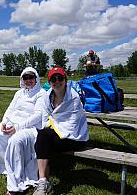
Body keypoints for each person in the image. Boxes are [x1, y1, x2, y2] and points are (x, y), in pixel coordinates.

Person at [0, 67, 46, 191]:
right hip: (13, 124)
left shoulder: (41, 93)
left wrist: (18, 127)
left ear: (36, 78)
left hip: (30, 127)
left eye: (31, 77)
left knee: (15, 140)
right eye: (25, 77)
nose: (28, 80)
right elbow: (10, 109)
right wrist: (4, 122)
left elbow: (37, 116)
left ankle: (16, 179)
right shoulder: (19, 93)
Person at [33, 67, 89, 195]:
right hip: (58, 134)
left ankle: (43, 183)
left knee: (42, 141)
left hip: (76, 138)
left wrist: (51, 128)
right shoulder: (47, 97)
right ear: (49, 81)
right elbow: (45, 119)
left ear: (66, 80)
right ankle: (43, 181)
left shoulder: (74, 98)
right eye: (53, 79)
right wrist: (50, 128)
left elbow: (72, 127)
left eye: (60, 78)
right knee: (42, 136)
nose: (57, 81)